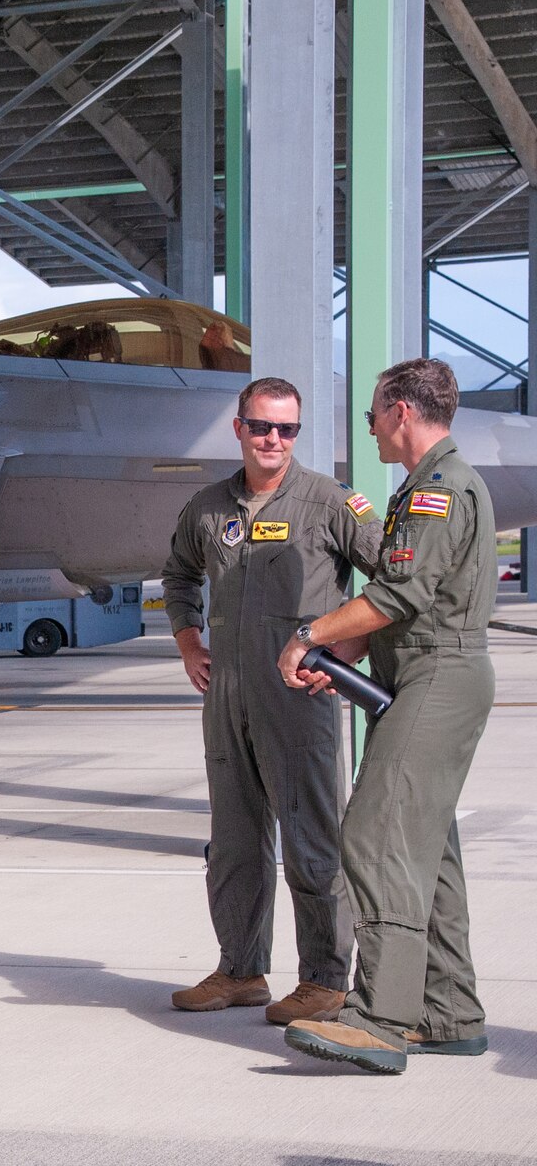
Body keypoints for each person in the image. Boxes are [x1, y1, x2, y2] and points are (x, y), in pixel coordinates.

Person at [276, 357, 494, 1074]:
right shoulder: (417, 491)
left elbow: (399, 598)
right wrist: (342, 659)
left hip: (439, 675)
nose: (367, 425)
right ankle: (448, 1010)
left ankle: (382, 1016)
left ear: (402, 412)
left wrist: (310, 634)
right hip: (418, 674)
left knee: (376, 831)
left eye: (371, 413)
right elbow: (397, 600)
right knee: (427, 851)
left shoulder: (441, 491)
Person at [161, 378, 381, 1024]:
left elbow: (391, 578)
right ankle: (240, 969)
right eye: (261, 426)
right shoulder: (208, 506)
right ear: (239, 428)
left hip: (298, 697)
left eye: (287, 429)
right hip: (226, 696)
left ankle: (323, 978)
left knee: (313, 839)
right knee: (232, 842)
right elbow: (178, 574)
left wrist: (348, 650)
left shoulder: (330, 502)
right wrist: (187, 642)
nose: (273, 440)